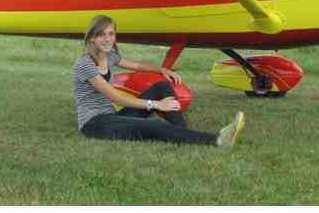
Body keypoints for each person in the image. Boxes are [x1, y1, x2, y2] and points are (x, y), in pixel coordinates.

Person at [73, 15, 245, 147]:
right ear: (92, 38)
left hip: (112, 117)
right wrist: (155, 105)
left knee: (162, 85)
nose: (107, 39)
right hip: (95, 124)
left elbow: (137, 65)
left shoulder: (110, 55)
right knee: (154, 124)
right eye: (101, 34)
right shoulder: (85, 64)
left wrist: (162, 70)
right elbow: (116, 97)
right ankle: (218, 140)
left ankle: (180, 133)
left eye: (111, 33)